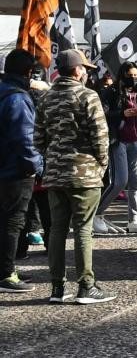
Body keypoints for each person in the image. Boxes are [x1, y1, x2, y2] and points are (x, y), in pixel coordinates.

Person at [34, 49, 114, 304]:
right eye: (85, 69)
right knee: (83, 229)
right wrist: (102, 164)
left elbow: (38, 139)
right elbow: (101, 137)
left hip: (55, 173)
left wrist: (54, 156)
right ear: (78, 70)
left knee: (57, 230)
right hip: (85, 173)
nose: (87, 74)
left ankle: (57, 288)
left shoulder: (46, 98)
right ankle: (86, 286)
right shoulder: (88, 96)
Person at [1, 49, 43, 293]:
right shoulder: (18, 98)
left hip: (4, 166)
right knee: (13, 222)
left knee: (5, 221)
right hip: (15, 171)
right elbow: (25, 139)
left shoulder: (4, 91)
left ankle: (6, 269)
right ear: (28, 72)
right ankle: (6, 274)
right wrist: (36, 166)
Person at [94, 62, 137, 236]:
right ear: (122, 75)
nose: (133, 79)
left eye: (136, 76)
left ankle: (133, 219)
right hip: (118, 141)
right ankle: (97, 214)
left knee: (136, 183)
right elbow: (103, 114)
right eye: (129, 76)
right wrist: (122, 113)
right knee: (119, 181)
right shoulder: (110, 92)